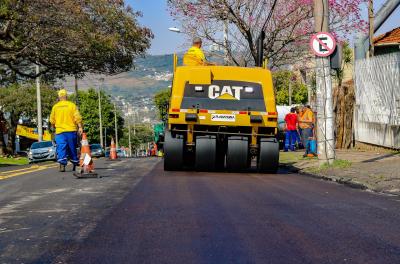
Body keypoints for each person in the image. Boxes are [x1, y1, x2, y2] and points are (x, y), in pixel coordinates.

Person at [50, 89, 83, 172]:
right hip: (71, 130)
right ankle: (75, 163)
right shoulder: (72, 105)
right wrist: (80, 127)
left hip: (60, 132)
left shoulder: (55, 107)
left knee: (61, 147)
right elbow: (77, 117)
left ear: (59, 97)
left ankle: (62, 164)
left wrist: (54, 128)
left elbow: (52, 120)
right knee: (72, 147)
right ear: (66, 96)